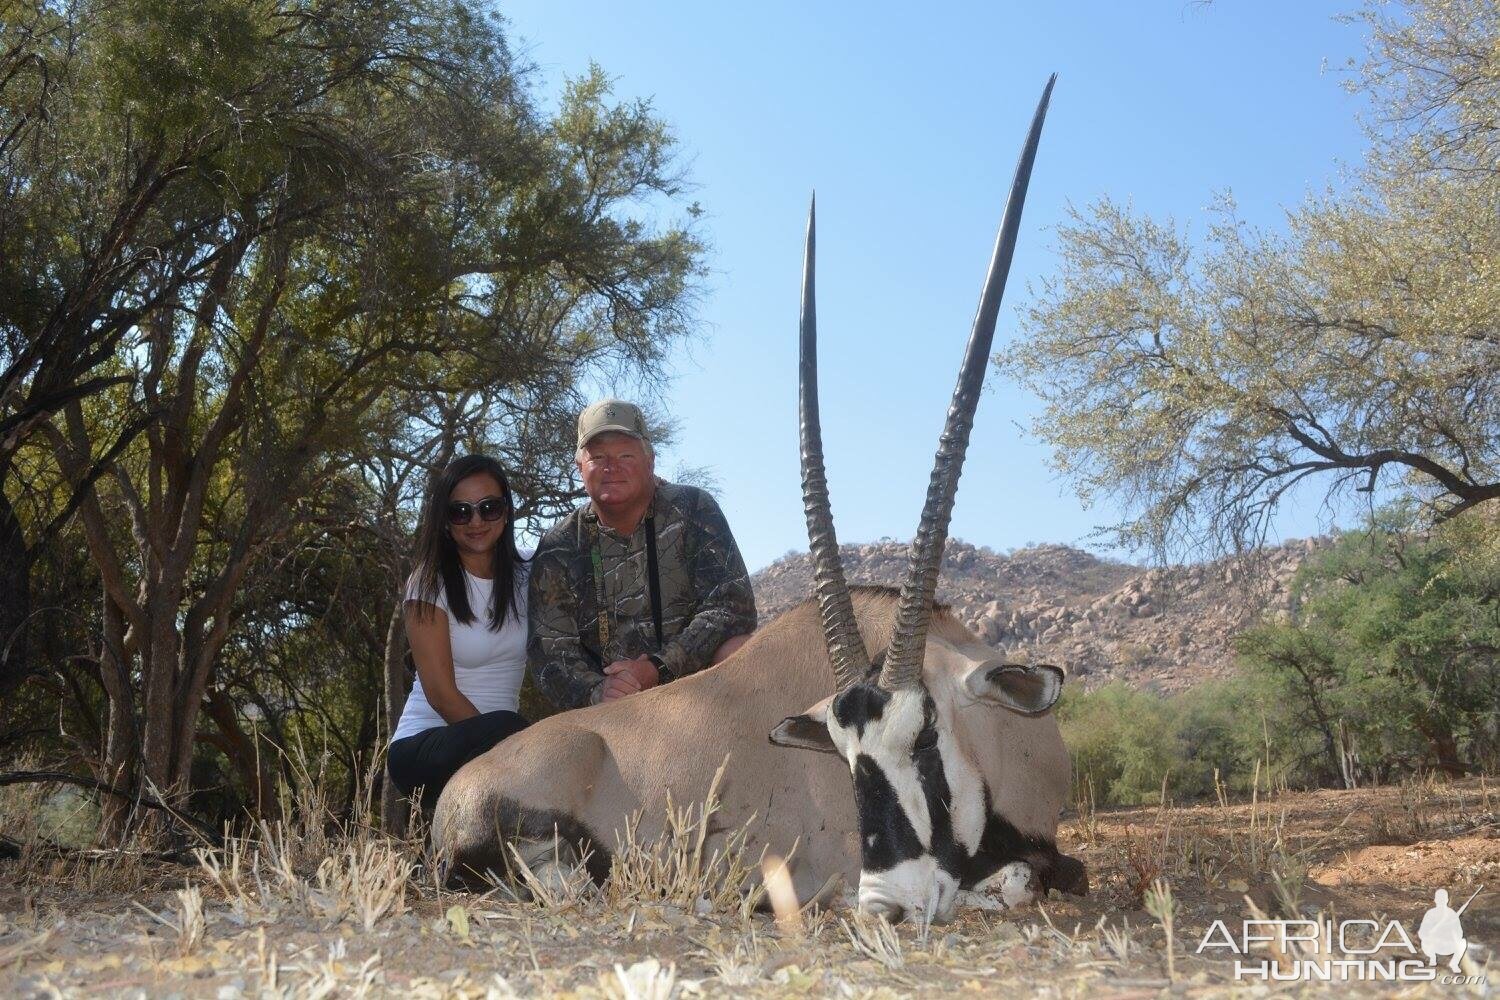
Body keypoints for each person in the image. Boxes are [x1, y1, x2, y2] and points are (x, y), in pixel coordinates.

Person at [529, 399, 757, 708]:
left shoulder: (692, 508)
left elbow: (732, 608)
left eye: (625, 455)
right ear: (580, 466)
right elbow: (550, 652)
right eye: (598, 457)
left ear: (650, 460)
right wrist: (600, 691)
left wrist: (657, 668)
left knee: (740, 650)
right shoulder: (559, 545)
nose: (612, 467)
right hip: (610, 708)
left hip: (697, 689)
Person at [388, 455, 531, 808]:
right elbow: (440, 695)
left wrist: (646, 493)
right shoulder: (428, 582)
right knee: (520, 733)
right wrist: (510, 753)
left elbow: (584, 536)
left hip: (503, 744)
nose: (476, 521)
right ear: (445, 523)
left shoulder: (531, 570)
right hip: (428, 746)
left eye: (489, 507)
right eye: (460, 512)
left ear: (507, 510)